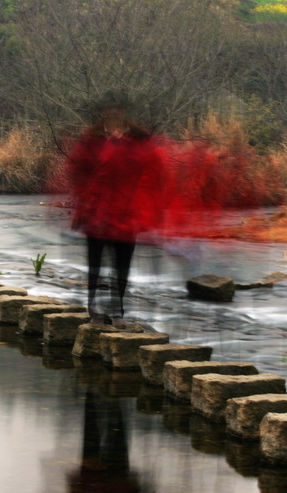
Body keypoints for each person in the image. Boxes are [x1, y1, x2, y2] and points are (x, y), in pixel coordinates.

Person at [66, 94, 171, 325]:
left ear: (125, 113)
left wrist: (148, 209)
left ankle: (117, 311)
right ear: (104, 113)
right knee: (95, 265)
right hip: (96, 213)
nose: (114, 114)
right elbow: (77, 170)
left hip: (126, 213)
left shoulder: (139, 140)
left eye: (119, 110)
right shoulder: (92, 139)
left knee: (122, 266)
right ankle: (93, 308)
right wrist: (84, 200)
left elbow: (154, 174)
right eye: (110, 110)